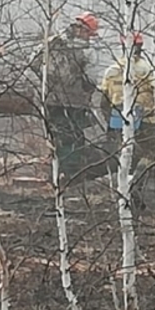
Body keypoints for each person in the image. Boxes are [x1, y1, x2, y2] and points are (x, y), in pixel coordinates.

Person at [30, 12, 103, 182]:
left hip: (50, 101)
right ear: (84, 31)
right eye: (89, 34)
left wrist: (47, 84)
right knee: (74, 138)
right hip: (75, 103)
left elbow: (33, 61)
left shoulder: (52, 43)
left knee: (58, 137)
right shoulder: (87, 51)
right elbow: (92, 79)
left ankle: (59, 173)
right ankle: (71, 175)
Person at [99, 31, 155, 208]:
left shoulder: (111, 70)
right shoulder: (146, 69)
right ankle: (136, 185)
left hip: (118, 119)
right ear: (140, 47)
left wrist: (109, 120)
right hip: (147, 120)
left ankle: (122, 193)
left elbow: (104, 100)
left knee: (124, 156)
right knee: (151, 154)